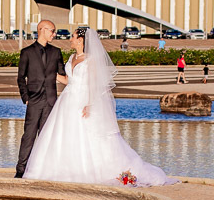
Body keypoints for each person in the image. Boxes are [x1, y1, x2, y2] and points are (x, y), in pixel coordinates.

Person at [22, 27, 177, 187]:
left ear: (80, 40)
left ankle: (93, 171)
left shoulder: (91, 60)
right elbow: (68, 80)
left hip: (83, 100)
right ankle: (64, 169)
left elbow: (94, 84)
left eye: (73, 36)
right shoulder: (72, 57)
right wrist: (49, 73)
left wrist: (89, 104)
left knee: (88, 136)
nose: (70, 39)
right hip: (67, 100)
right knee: (64, 135)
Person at [15, 20, 67, 179]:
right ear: (42, 30)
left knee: (47, 138)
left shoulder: (56, 52)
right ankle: (21, 169)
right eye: (52, 30)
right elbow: (20, 78)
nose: (54, 34)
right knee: (29, 136)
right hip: (34, 100)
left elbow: (62, 74)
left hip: (50, 101)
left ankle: (44, 170)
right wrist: (26, 97)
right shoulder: (27, 52)